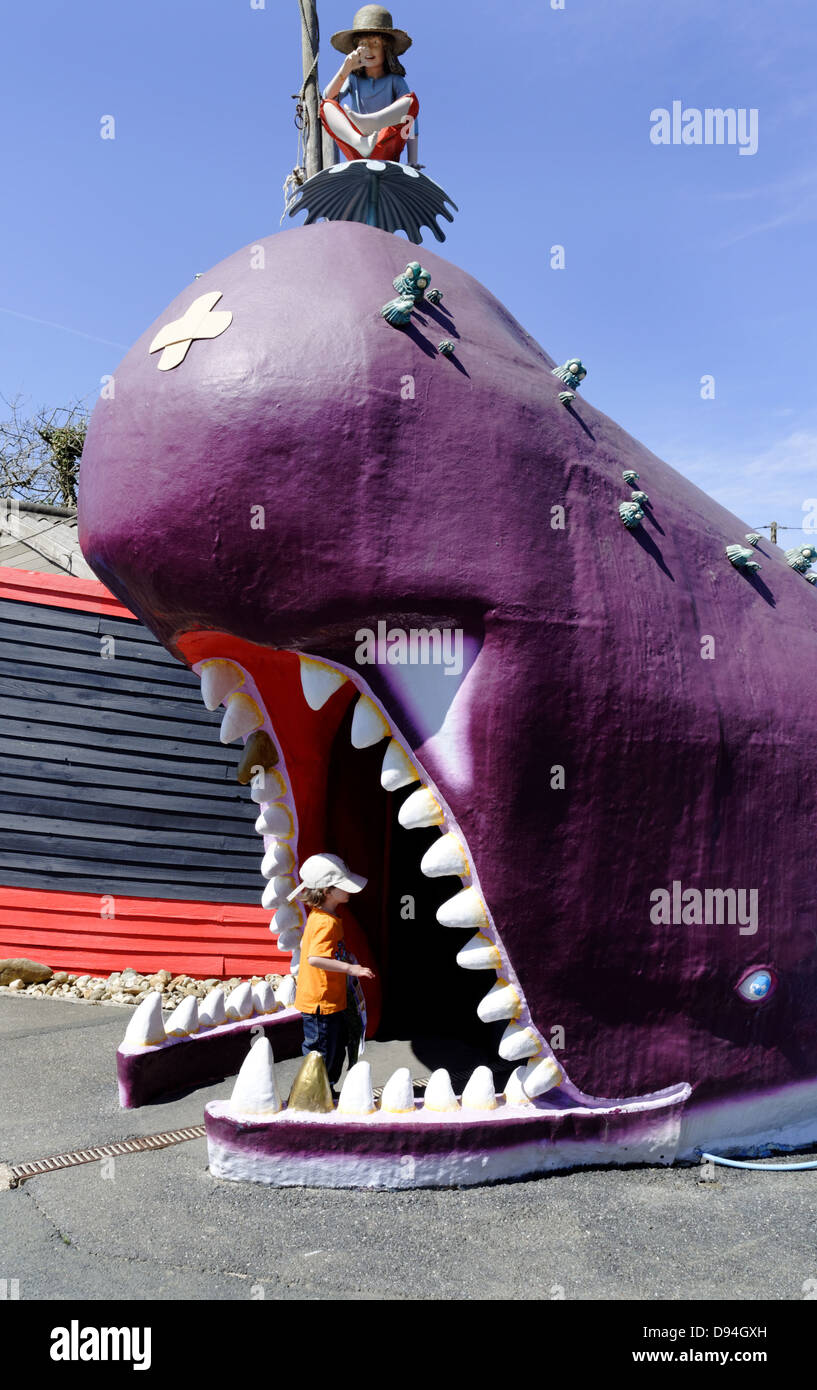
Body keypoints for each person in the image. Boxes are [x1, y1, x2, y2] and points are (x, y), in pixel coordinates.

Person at [287, 853, 375, 1094]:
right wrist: (350, 968)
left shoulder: (328, 918)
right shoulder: (325, 922)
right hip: (320, 1003)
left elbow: (330, 952)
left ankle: (325, 1092)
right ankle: (314, 1096)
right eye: (342, 886)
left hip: (330, 1000)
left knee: (332, 1049)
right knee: (321, 1051)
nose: (349, 891)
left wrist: (345, 959)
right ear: (327, 891)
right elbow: (315, 958)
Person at [321, 5, 422, 167]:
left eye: (375, 43)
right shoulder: (353, 79)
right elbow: (327, 96)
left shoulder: (394, 80)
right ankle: (358, 139)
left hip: (386, 144)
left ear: (386, 47)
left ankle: (372, 122)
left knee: (411, 103)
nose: (368, 49)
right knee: (326, 105)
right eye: (363, 44)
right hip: (357, 148)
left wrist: (413, 160)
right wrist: (346, 69)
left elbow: (411, 118)